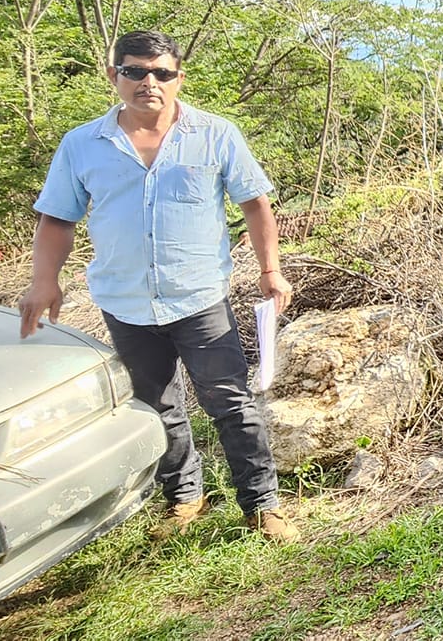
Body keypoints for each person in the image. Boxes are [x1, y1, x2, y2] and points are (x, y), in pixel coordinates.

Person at [17, 29, 297, 543]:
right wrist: (43, 281)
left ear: (177, 78)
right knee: (156, 405)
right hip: (124, 303)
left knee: (231, 401)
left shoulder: (216, 134)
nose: (149, 82)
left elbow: (255, 204)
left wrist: (269, 269)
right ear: (114, 76)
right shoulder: (82, 145)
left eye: (161, 73)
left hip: (199, 297)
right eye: (135, 71)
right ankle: (184, 498)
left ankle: (262, 505)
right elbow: (57, 219)